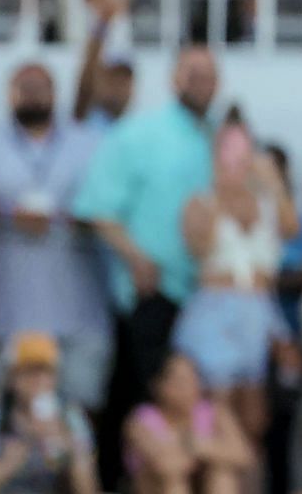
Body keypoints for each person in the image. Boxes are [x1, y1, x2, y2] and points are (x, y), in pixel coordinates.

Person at [71, 45, 220, 490]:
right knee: (139, 403)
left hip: (200, 298)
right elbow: (95, 207)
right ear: (174, 78)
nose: (203, 81)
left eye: (210, 74)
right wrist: (135, 256)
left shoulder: (211, 137)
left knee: (191, 410)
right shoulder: (139, 134)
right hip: (150, 293)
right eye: (194, 72)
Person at [0, 62, 114, 416]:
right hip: (4, 309)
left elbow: (113, 209)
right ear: (10, 94)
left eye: (42, 86)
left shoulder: (89, 144)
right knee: (2, 415)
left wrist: (75, 219)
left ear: (56, 93)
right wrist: (10, 215)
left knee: (79, 417)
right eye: (25, 86)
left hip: (76, 309)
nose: (34, 94)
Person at [173, 115, 298, 439]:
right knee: (218, 411)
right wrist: (219, 199)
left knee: (254, 416)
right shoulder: (200, 202)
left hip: (257, 310)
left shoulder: (267, 203)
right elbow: (198, 248)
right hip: (215, 312)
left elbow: (292, 230)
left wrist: (273, 182)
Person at [0, 332, 99, 494]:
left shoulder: (69, 415)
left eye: (44, 371)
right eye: (28, 371)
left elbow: (88, 487)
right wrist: (11, 460)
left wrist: (68, 449)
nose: (37, 380)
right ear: (12, 377)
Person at [123, 352, 255, 494]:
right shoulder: (140, 420)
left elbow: (244, 455)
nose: (190, 388)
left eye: (194, 379)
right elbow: (166, 465)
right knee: (173, 480)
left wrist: (199, 446)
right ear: (158, 385)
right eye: (180, 381)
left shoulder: (214, 410)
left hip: (202, 484)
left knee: (222, 474)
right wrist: (200, 449)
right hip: (159, 487)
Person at [73, 0, 137, 132]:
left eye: (124, 83)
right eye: (113, 81)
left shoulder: (135, 127)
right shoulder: (86, 118)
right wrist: (103, 22)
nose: (118, 89)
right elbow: (88, 70)